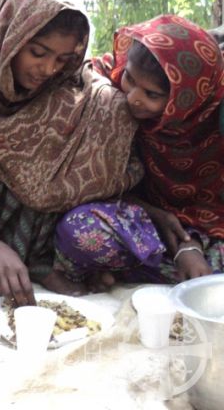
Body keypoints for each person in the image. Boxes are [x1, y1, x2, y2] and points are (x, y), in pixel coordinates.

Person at [0, 0, 143, 305]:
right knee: (16, 171)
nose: (48, 69)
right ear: (7, 39)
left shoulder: (71, 96)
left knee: (81, 130)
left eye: (63, 59)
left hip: (53, 234)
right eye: (38, 52)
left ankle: (45, 263)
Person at [54, 15, 224, 290]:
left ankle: (161, 273)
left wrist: (189, 244)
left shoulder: (213, 117)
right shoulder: (111, 78)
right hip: (144, 219)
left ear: (186, 98)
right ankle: (181, 278)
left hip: (212, 229)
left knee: (209, 272)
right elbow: (74, 74)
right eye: (129, 79)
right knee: (77, 230)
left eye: (152, 94)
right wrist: (155, 213)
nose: (133, 97)